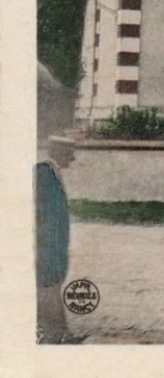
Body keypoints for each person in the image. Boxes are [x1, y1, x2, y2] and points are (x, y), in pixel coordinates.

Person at [36, 137, 75, 344]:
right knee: (47, 289)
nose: (74, 158)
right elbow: (41, 214)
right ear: (59, 152)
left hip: (54, 245)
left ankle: (63, 334)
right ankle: (52, 335)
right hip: (45, 246)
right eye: (70, 152)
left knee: (51, 288)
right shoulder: (42, 173)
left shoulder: (52, 172)